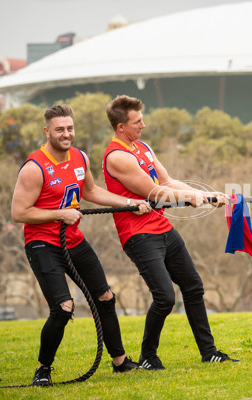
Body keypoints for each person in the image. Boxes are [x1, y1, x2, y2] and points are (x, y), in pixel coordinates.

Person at [11, 105, 152, 386]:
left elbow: (91, 192)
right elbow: (19, 213)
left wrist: (129, 203)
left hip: (74, 241)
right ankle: (43, 370)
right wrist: (58, 214)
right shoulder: (34, 167)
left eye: (70, 128)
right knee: (63, 308)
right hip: (43, 245)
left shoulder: (79, 157)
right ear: (47, 131)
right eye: (60, 129)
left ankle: (120, 363)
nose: (66, 134)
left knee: (106, 298)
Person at [102, 95, 239, 370]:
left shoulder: (142, 147)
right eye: (137, 121)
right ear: (120, 127)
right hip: (138, 235)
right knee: (165, 297)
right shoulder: (117, 157)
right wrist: (189, 199)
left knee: (193, 287)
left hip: (162, 228)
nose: (143, 124)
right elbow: (154, 192)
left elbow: (167, 181)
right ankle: (148, 357)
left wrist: (203, 194)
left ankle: (209, 352)